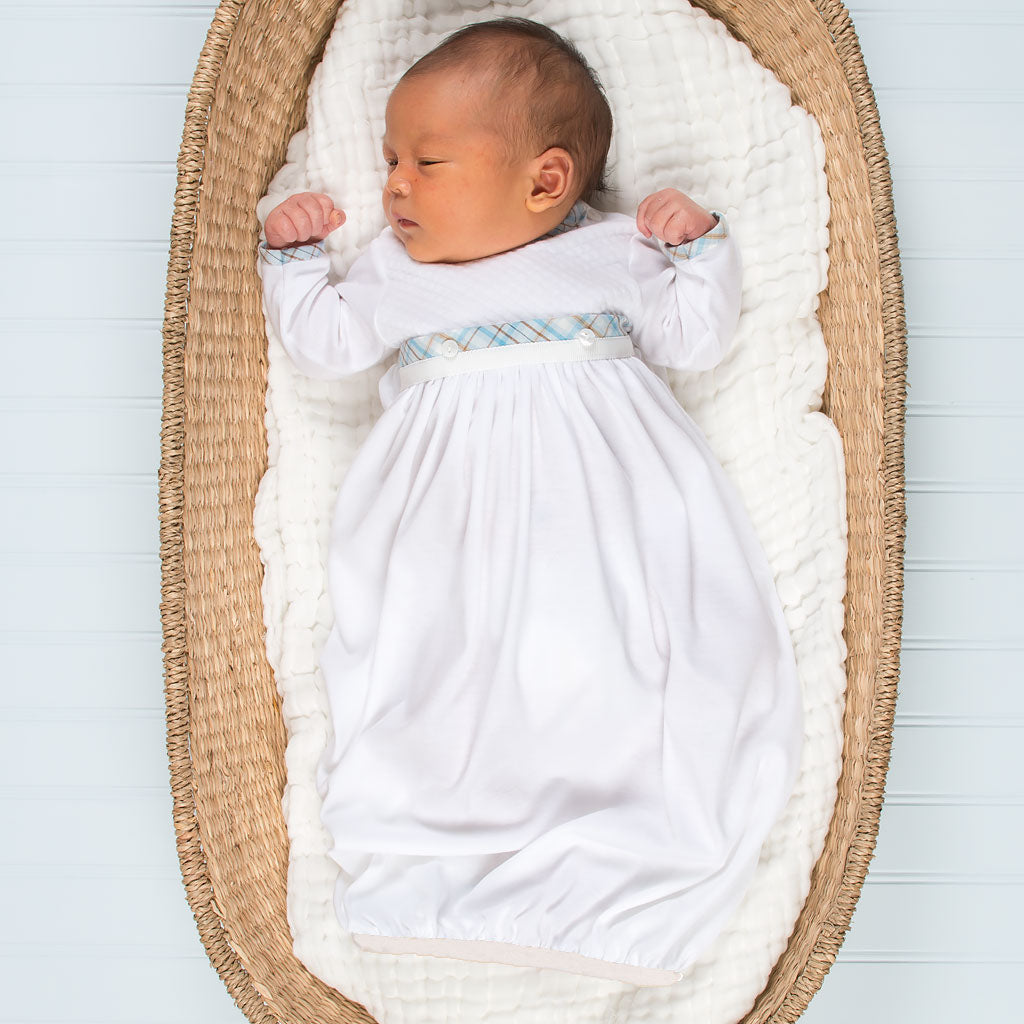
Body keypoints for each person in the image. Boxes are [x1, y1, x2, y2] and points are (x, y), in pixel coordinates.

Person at [257, 16, 802, 989]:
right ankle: (432, 860)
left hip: (602, 500)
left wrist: (699, 251)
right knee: (438, 662)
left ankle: (621, 851)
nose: (394, 186)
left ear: (546, 181)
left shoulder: (609, 250)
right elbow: (329, 347)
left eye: (427, 161)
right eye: (390, 160)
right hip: (448, 514)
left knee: (609, 661)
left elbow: (693, 338)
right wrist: (294, 264)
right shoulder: (396, 268)